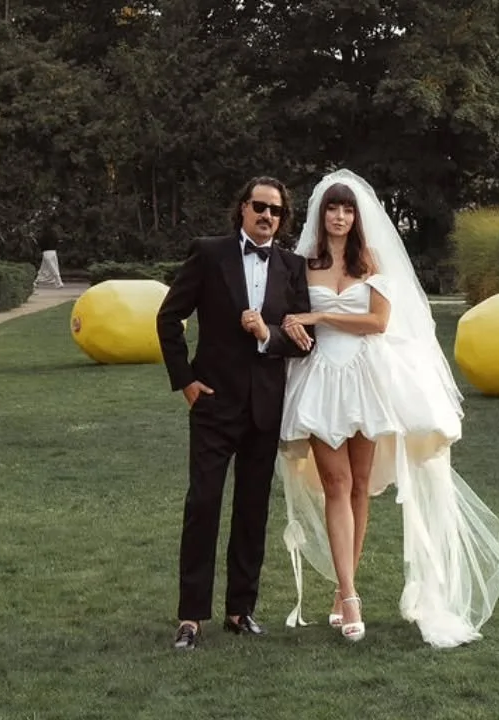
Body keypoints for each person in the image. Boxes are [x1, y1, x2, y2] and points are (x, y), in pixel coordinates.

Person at [266, 170, 499, 648]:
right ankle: (351, 595)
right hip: (319, 379)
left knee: (358, 485)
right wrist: (295, 325)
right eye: (332, 208)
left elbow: (378, 322)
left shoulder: (370, 260)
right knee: (333, 482)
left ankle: (342, 588)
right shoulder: (300, 264)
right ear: (320, 214)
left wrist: (321, 315)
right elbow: (289, 317)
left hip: (366, 377)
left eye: (347, 209)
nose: (339, 216)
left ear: (356, 217)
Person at [156, 176, 314, 652]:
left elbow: (306, 340)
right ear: (242, 209)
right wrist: (185, 381)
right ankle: (190, 617)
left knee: (252, 511)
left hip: (265, 408)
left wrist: (267, 333)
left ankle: (240, 611)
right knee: (202, 505)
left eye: (276, 211)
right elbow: (169, 317)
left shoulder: (291, 266)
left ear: (283, 219)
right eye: (259, 207)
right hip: (212, 404)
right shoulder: (209, 253)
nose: (267, 216)